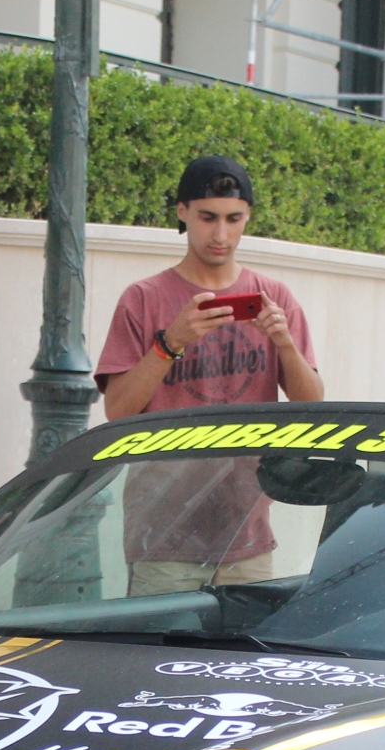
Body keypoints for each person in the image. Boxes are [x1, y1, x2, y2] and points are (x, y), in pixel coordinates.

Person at [94, 155, 325, 596]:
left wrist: (285, 344)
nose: (221, 234)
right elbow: (117, 410)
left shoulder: (273, 296)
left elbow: (309, 403)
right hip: (162, 534)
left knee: (249, 662)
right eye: (207, 218)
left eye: (233, 219)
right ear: (182, 212)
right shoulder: (143, 299)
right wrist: (170, 342)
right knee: (159, 659)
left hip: (248, 531)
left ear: (247, 219)